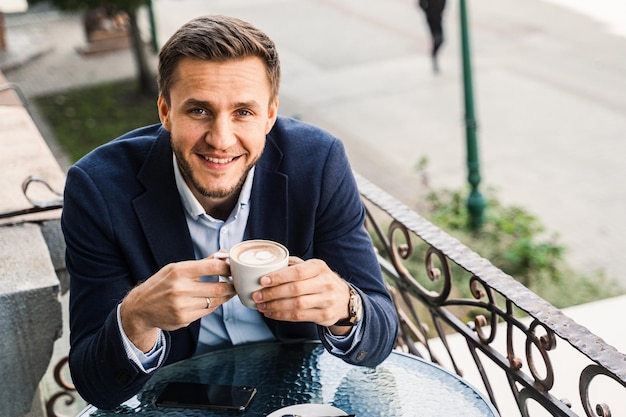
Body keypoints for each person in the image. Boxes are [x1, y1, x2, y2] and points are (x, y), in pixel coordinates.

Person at [61, 14, 398, 410]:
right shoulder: (97, 188)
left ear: (270, 114)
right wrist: (136, 318)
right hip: (177, 404)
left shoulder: (319, 163)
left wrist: (345, 306)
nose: (221, 140)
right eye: (199, 111)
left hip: (299, 399)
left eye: (243, 112)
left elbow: (380, 336)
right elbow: (95, 384)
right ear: (166, 112)